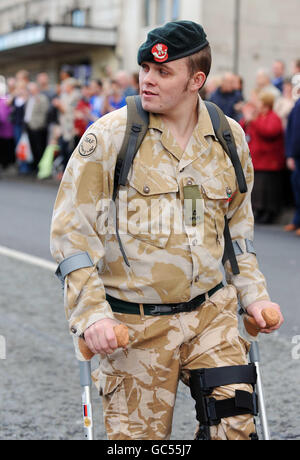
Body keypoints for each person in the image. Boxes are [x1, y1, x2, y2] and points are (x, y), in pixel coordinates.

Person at [50, 21, 283, 441]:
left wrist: (253, 294)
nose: (148, 80)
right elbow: (72, 237)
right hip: (134, 327)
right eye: (145, 68)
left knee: (233, 426)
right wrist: (92, 316)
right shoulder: (109, 137)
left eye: (163, 72)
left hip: (211, 314)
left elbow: (238, 231)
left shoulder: (229, 137)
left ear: (197, 80)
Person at [240, 92, 285, 224]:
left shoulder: (273, 117)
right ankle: (258, 210)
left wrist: (254, 120)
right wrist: (248, 119)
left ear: (265, 104)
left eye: (259, 103)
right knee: (257, 189)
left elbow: (269, 131)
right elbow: (242, 128)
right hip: (257, 160)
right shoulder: (257, 116)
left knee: (268, 190)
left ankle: (269, 212)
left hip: (269, 162)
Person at [284, 74, 300, 236]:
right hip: (296, 154)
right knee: (296, 187)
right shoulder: (296, 106)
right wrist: (290, 154)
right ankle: (296, 220)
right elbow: (291, 132)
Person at [24, 82, 49, 172]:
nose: (30, 91)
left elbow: (45, 112)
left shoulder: (42, 98)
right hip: (29, 126)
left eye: (31, 89)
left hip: (38, 127)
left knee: (39, 147)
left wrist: (39, 124)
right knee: (32, 147)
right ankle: (34, 166)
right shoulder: (29, 98)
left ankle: (39, 167)